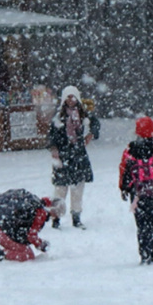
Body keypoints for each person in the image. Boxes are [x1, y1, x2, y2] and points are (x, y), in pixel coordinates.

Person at [119, 116, 153, 264]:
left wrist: (123, 188)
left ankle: (144, 253)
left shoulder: (130, 148)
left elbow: (124, 169)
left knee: (142, 225)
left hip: (137, 193)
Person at [46, 85, 100, 229]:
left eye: (73, 96)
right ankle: (56, 218)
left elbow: (95, 123)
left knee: (77, 189)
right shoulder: (58, 116)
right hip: (63, 156)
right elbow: (51, 135)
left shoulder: (83, 113)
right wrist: (53, 148)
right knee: (60, 189)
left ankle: (76, 217)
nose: (71, 100)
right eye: (68, 97)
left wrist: (90, 134)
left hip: (78, 155)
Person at [0, 189, 66, 262]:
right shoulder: (41, 214)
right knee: (27, 254)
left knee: (22, 248)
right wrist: (41, 244)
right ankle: (0, 254)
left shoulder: (35, 202)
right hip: (1, 232)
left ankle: (4, 252)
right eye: (58, 215)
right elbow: (31, 236)